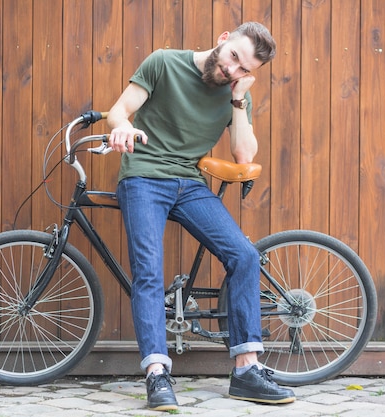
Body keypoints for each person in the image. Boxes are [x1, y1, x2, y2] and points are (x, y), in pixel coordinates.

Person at [107, 22, 296, 411]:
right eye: (233, 59)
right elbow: (118, 111)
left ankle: (246, 372)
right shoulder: (163, 63)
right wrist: (122, 128)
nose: (232, 71)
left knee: (244, 256)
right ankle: (157, 375)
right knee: (148, 269)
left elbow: (245, 155)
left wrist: (239, 100)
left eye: (245, 70)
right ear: (223, 39)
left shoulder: (232, 93)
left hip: (189, 184)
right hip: (143, 177)